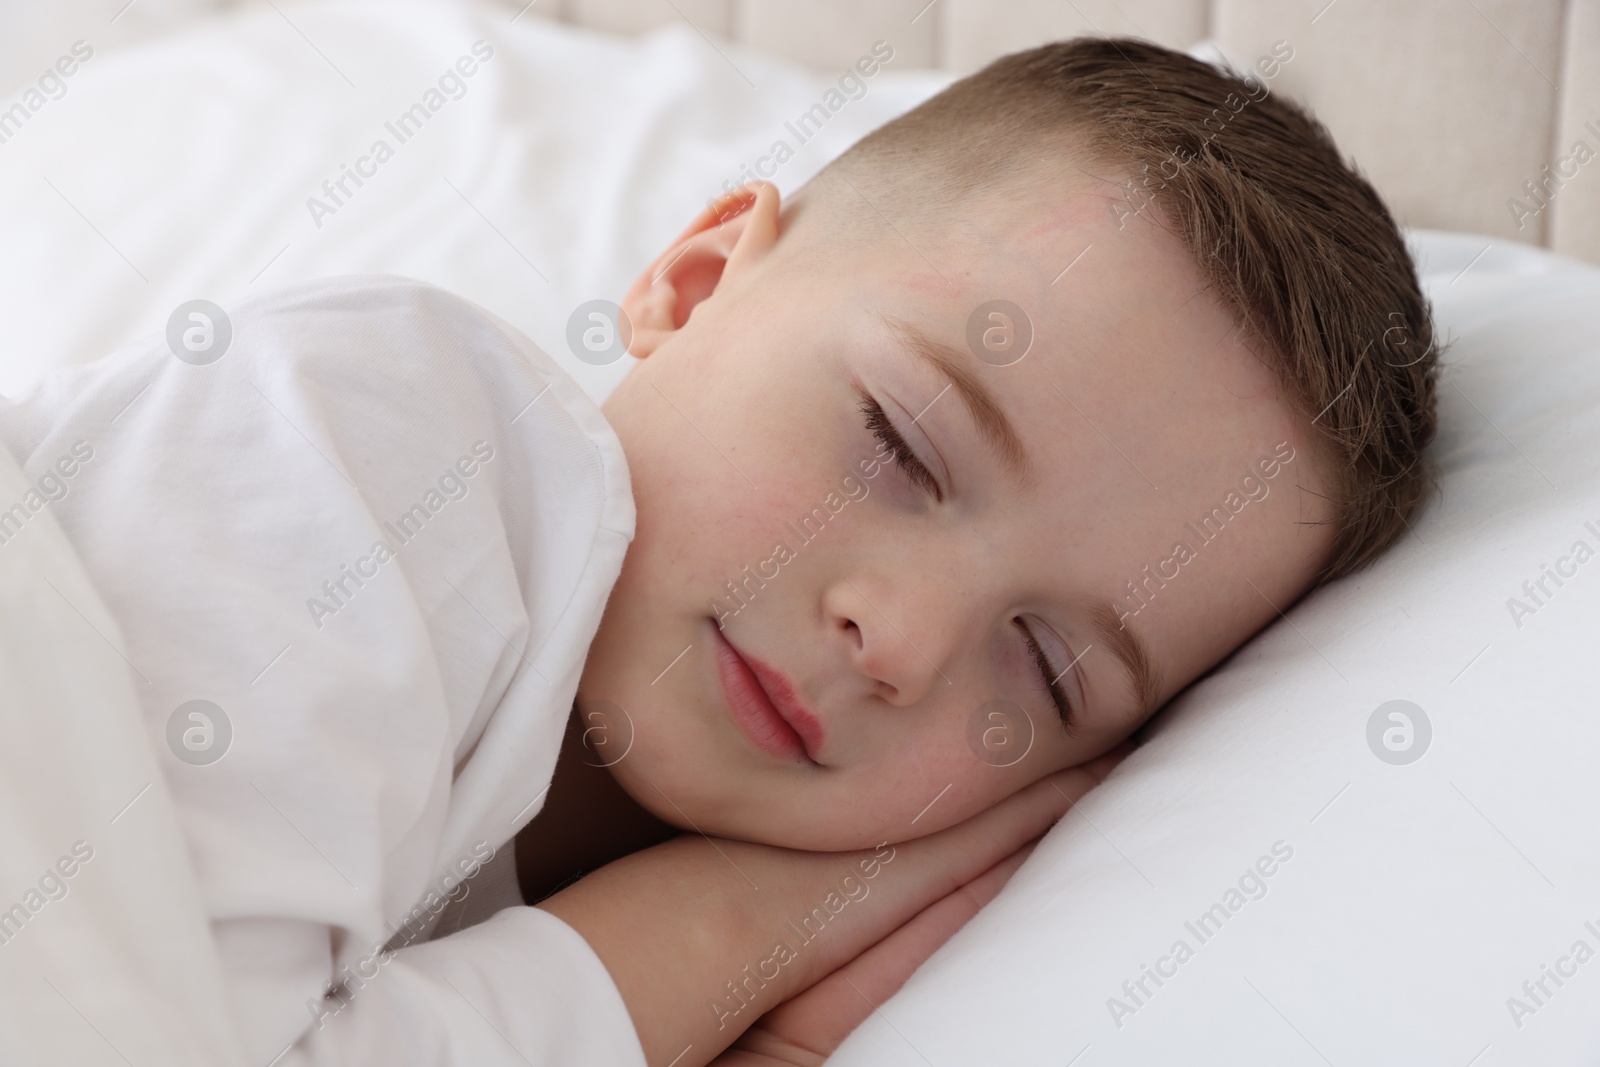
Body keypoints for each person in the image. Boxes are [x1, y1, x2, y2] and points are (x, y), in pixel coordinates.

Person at [0, 35, 1436, 1067]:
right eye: (904, 444)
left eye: (1048, 667)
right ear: (691, 284)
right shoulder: (393, 435)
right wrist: (738, 920)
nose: (910, 637)